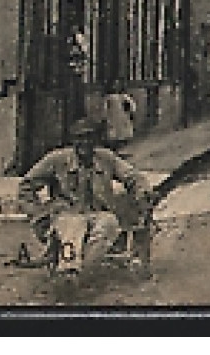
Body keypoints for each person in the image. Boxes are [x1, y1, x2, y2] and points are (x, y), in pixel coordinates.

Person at [19, 116, 150, 277]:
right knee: (73, 227)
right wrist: (38, 215)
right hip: (68, 215)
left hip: (99, 214)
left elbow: (133, 176)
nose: (84, 143)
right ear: (73, 141)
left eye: (89, 138)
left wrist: (142, 193)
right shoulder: (57, 160)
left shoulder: (106, 158)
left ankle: (86, 271)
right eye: (80, 138)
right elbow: (26, 186)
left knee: (108, 224)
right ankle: (68, 270)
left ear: (96, 140)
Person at [101, 82, 137, 152]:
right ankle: (116, 148)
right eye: (113, 86)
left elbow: (131, 105)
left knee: (122, 131)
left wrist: (130, 112)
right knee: (115, 131)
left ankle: (121, 148)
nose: (115, 88)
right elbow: (105, 109)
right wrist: (105, 117)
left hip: (122, 116)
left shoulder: (123, 97)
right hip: (113, 116)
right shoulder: (108, 98)